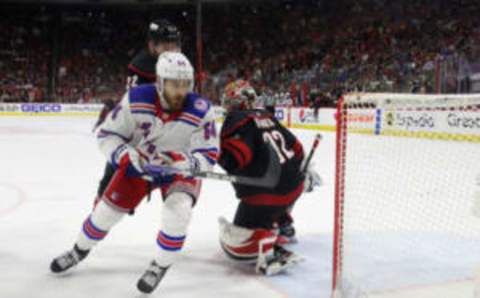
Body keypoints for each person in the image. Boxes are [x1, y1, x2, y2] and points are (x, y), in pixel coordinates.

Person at [50, 52, 218, 294]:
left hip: (178, 171)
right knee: (104, 214)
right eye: (174, 84)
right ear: (160, 82)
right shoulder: (136, 99)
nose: (181, 91)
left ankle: (160, 265)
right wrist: (124, 155)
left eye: (185, 84)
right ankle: (79, 250)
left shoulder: (201, 110)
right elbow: (107, 135)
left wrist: (185, 161)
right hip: (139, 166)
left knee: (178, 212)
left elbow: (209, 154)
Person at [216, 80, 321, 275]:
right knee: (286, 184)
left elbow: (238, 157)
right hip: (294, 187)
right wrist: (306, 172)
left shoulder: (236, 118)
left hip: (265, 194)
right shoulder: (267, 116)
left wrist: (214, 154)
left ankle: (265, 244)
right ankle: (283, 225)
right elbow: (297, 148)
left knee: (238, 239)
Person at [92, 19, 182, 210]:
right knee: (118, 166)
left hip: (169, 129)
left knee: (177, 180)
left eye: (174, 44)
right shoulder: (140, 66)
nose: (172, 49)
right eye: (167, 45)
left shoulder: (178, 63)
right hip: (140, 129)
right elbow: (137, 105)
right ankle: (102, 202)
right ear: (152, 44)